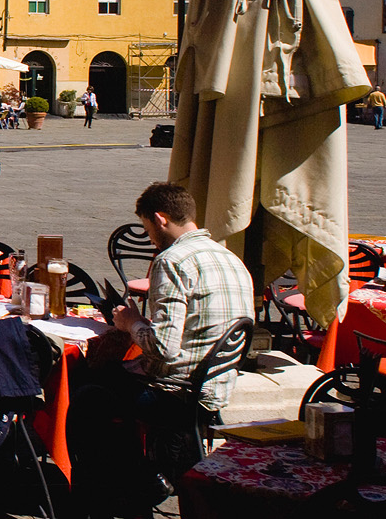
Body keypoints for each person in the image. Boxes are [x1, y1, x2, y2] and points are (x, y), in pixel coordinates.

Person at [67, 181, 254, 513]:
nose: (150, 237)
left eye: (147, 228)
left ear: (160, 218)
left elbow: (164, 349)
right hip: (217, 385)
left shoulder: (172, 261)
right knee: (111, 380)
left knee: (85, 392)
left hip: (178, 395)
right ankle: (139, 475)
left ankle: (136, 481)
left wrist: (131, 323)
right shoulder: (231, 258)